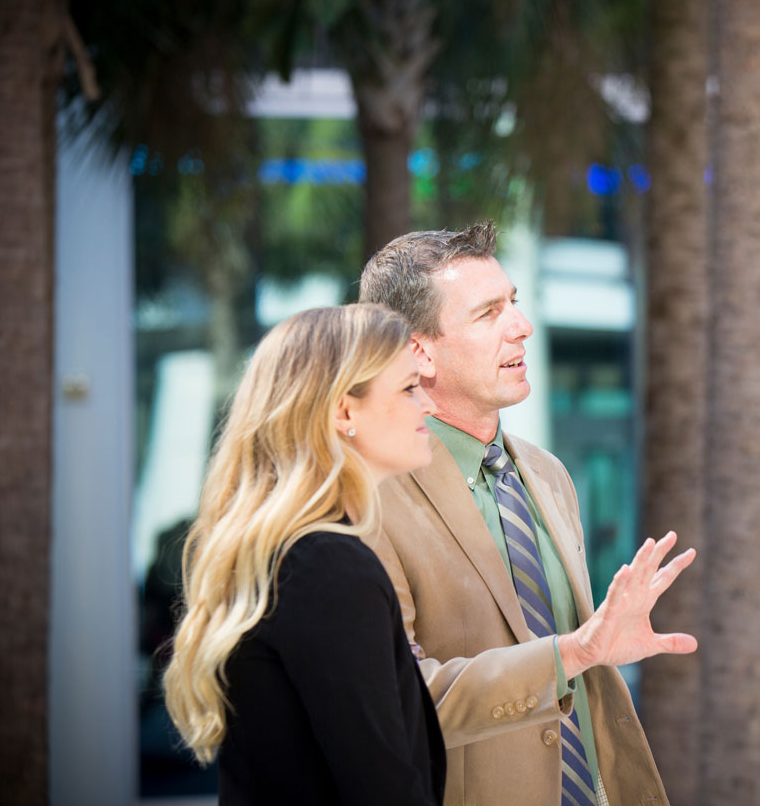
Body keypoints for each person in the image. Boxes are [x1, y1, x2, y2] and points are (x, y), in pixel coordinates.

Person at [358, 222, 696, 806]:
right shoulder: (370, 493)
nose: (521, 326)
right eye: (488, 313)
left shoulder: (547, 474)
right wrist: (575, 652)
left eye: (513, 302)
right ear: (418, 351)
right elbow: (396, 702)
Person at [163, 304, 446, 805]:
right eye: (408, 388)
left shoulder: (287, 558)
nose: (427, 404)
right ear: (343, 411)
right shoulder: (328, 569)